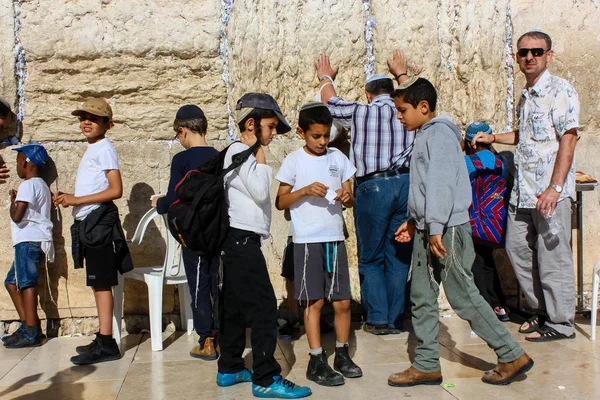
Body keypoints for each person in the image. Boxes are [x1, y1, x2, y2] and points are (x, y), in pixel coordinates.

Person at [389, 77, 532, 387]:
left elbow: (441, 184)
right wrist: (415, 222)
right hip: (431, 227)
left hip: (447, 229)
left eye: (403, 110)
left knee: (462, 295)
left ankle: (511, 353)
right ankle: (427, 363)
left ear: (423, 107)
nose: (399, 117)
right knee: (421, 296)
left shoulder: (438, 134)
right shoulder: (426, 134)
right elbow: (426, 187)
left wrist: (436, 228)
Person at [473, 30, 579, 341]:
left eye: (536, 51)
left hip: (549, 194)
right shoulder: (526, 95)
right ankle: (541, 312)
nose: (529, 57)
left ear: (549, 55)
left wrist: (555, 188)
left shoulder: (561, 90)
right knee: (516, 248)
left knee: (553, 256)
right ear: (517, 57)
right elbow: (525, 136)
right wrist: (492, 138)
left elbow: (568, 139)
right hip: (523, 193)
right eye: (523, 52)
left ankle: (561, 323)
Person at [217, 93, 311, 399]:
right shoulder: (240, 152)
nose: (272, 134)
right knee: (264, 309)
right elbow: (260, 191)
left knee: (232, 308)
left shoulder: (239, 152)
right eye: (270, 127)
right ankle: (266, 377)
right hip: (241, 242)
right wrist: (258, 152)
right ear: (251, 124)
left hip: (239, 241)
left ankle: (230, 367)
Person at [315, 49, 415, 335]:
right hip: (404, 184)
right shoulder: (404, 111)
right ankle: (396, 319)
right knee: (398, 257)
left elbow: (328, 103)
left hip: (373, 186)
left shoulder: (360, 111)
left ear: (368, 94)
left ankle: (378, 320)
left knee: (371, 256)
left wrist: (325, 77)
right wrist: (402, 73)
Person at [275, 102, 362, 387]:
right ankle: (315, 359)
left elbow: (349, 190)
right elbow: (281, 201)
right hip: (308, 241)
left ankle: (341, 352)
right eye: (316, 136)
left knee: (343, 301)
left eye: (326, 135)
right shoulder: (294, 161)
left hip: (334, 239)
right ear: (301, 132)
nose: (322, 142)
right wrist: (304, 191)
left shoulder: (337, 157)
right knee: (314, 301)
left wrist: (347, 197)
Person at [54, 98, 132, 365]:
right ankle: (103, 338)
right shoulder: (93, 148)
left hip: (100, 222)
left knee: (101, 283)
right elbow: (95, 188)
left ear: (108, 124)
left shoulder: (105, 148)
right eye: (82, 117)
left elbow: (115, 190)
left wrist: (76, 201)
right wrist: (72, 196)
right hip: (91, 222)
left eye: (93, 118)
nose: (86, 122)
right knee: (97, 282)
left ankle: (108, 342)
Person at [152, 104, 220, 360]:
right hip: (216, 230)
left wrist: (157, 204)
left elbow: (172, 199)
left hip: (193, 234)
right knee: (216, 283)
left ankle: (207, 340)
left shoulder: (181, 160)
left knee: (199, 285)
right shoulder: (217, 156)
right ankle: (221, 334)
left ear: (182, 131)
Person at [3, 144, 53, 348]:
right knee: (12, 282)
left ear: (26, 162)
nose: (16, 165)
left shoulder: (28, 185)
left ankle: (31, 331)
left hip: (28, 240)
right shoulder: (41, 185)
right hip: (34, 240)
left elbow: (17, 216)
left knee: (26, 283)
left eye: (17, 160)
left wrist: (13, 202)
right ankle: (27, 326)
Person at [463, 122, 510, 322]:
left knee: (476, 264)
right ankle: (499, 304)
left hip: (474, 221)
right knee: (488, 261)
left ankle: (485, 309)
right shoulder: (503, 162)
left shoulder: (467, 162)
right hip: (496, 223)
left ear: (471, 143)